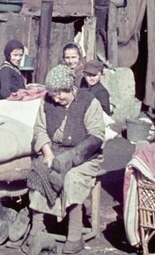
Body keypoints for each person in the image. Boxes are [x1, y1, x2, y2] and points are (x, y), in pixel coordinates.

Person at [26, 64, 105, 254]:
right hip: (56, 150)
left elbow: (96, 136)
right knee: (39, 169)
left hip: (86, 155)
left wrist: (71, 158)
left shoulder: (88, 101)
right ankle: (37, 230)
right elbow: (39, 129)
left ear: (70, 88)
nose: (56, 98)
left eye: (60, 94)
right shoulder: (47, 101)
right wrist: (48, 153)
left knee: (72, 178)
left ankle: (75, 235)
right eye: (53, 94)